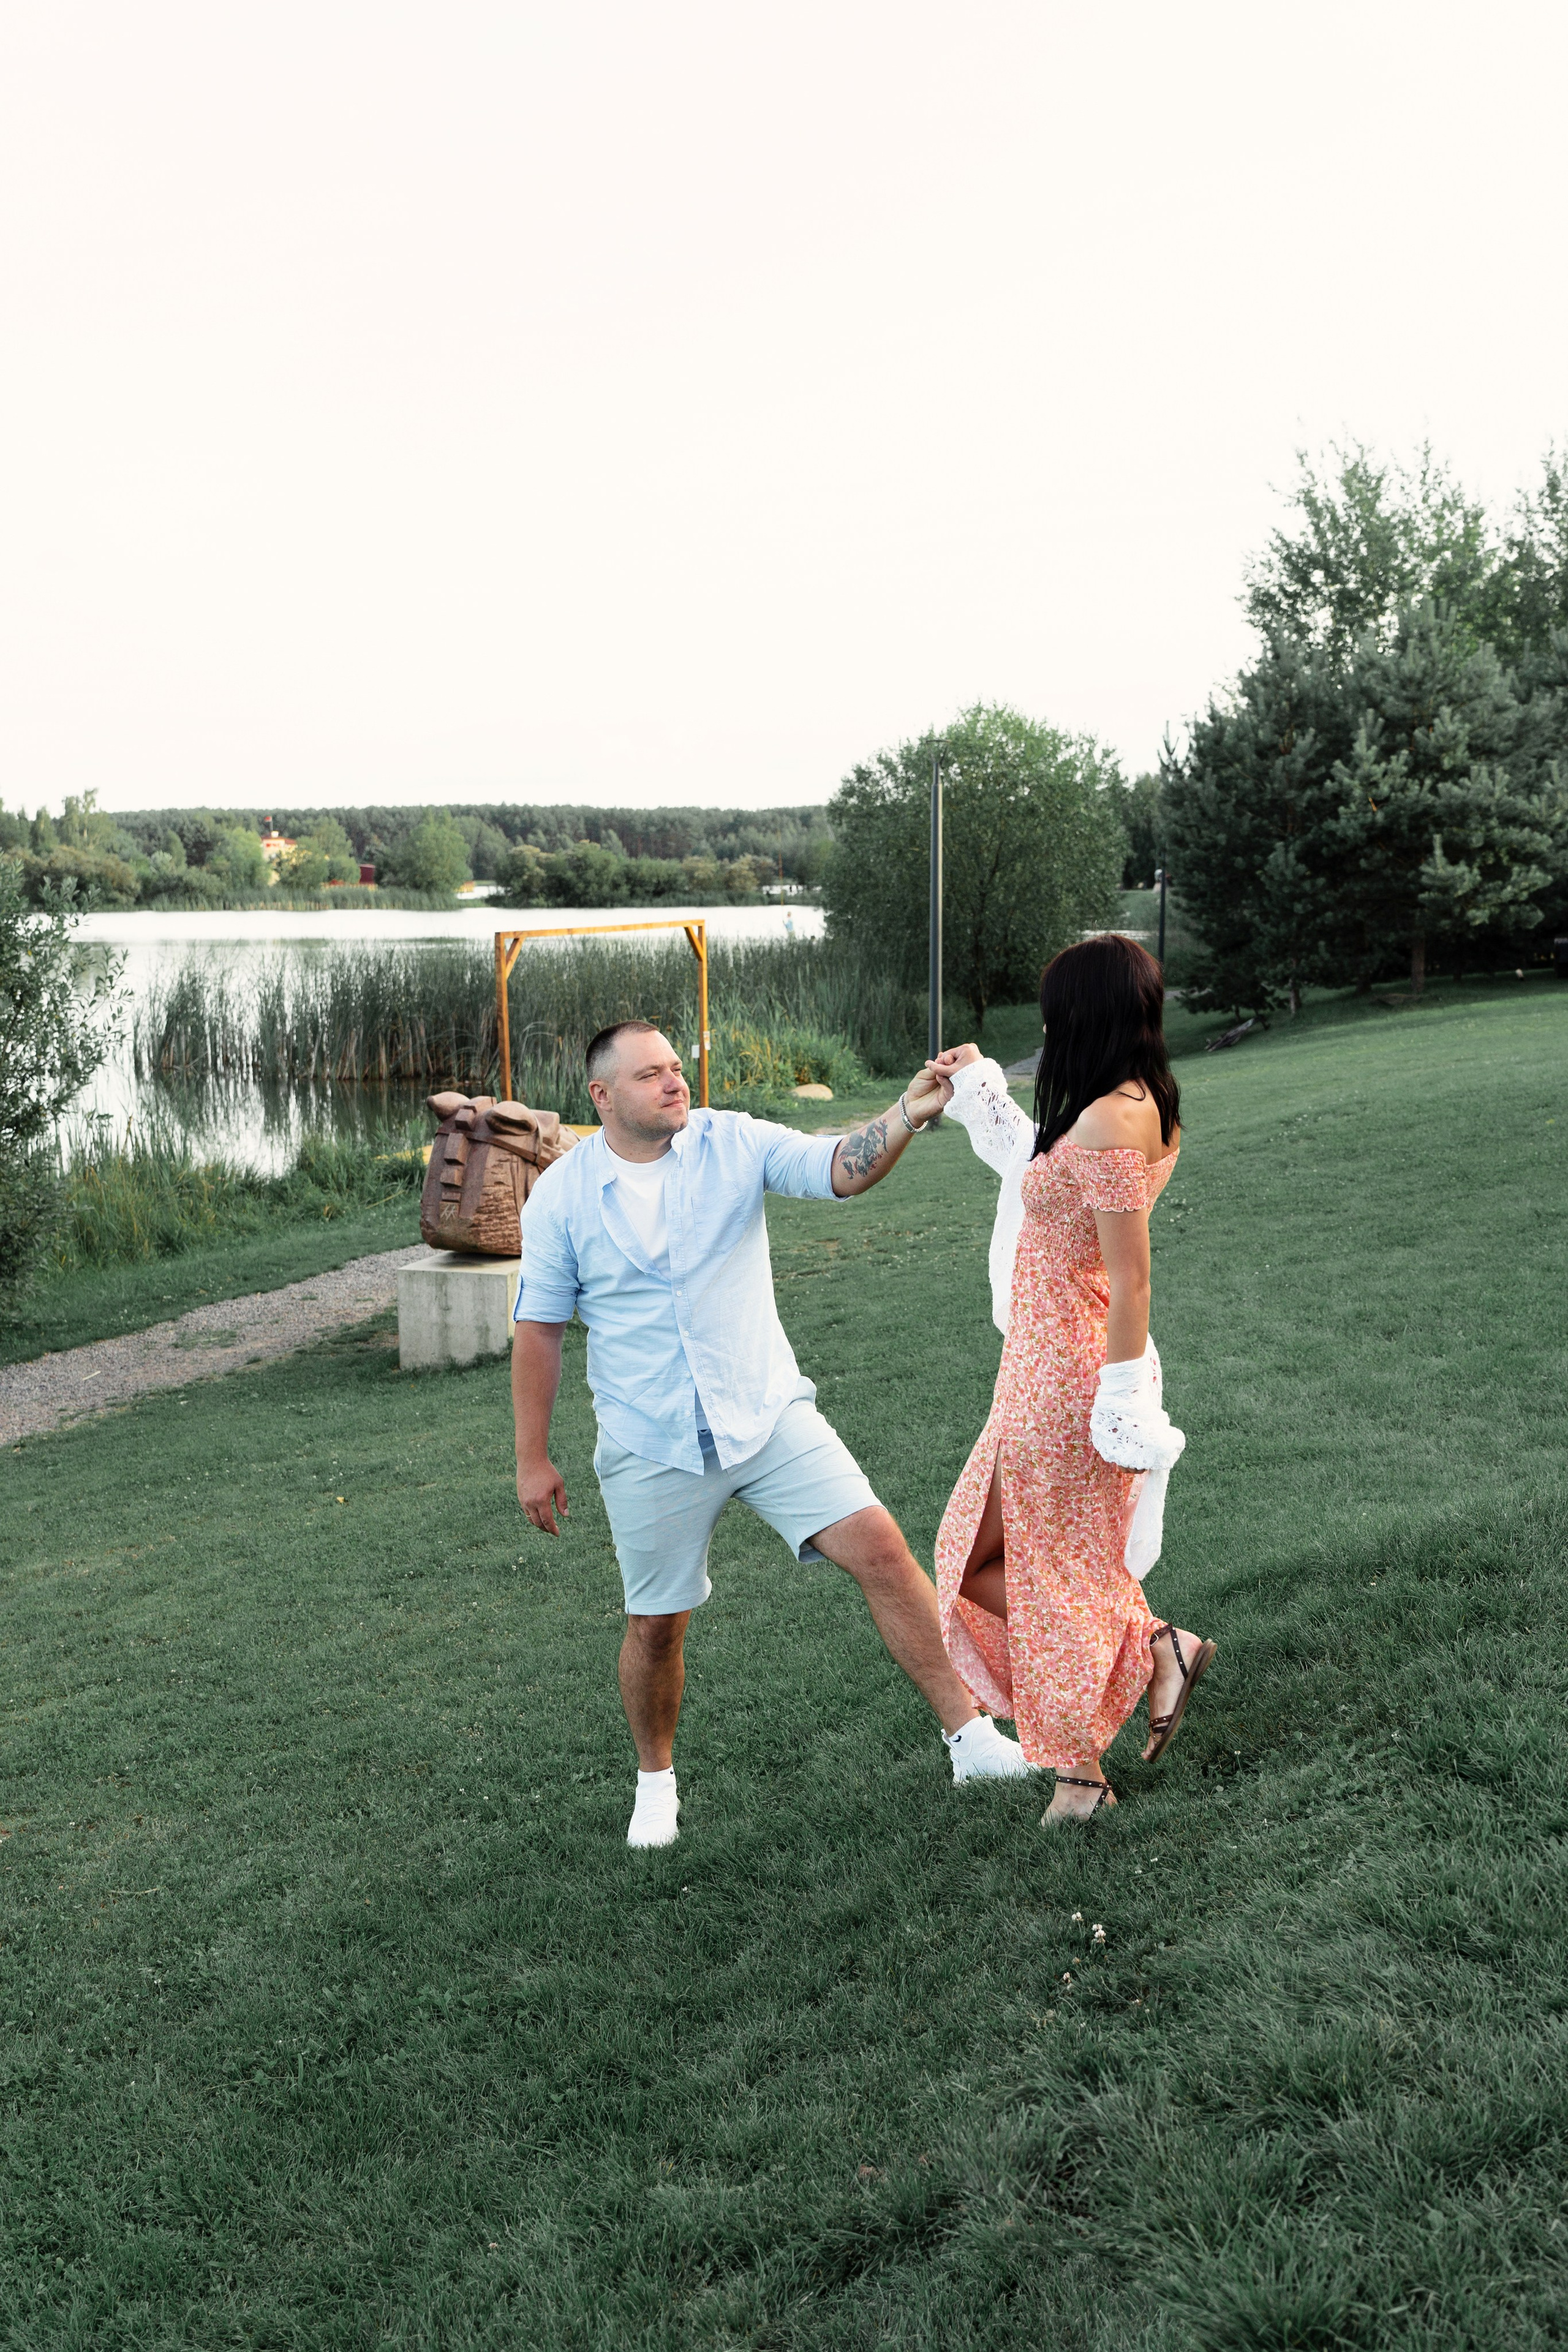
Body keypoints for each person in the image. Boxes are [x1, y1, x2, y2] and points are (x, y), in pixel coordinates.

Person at [510, 1020, 1035, 1847]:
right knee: (658, 1626)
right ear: (601, 1097)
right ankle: (656, 1786)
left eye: (676, 1068)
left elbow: (835, 1170)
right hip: (652, 1442)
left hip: (766, 1413)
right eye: (650, 1075)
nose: (674, 1083)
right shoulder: (563, 1198)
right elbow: (538, 1327)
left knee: (885, 1555)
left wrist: (906, 1112)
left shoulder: (733, 1142)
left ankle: (972, 1742)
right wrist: (532, 1458)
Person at [924, 935, 1217, 1825]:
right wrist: (981, 1086)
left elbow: (1133, 1278)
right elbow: (1037, 1173)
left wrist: (1122, 1400)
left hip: (1069, 1376)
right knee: (973, 1561)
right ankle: (1155, 1645)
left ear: (1086, 1011)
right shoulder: (1119, 1101)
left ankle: (1079, 1775)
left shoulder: (1116, 1118)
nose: (1047, 1022)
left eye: (1057, 1008)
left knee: (1041, 1574)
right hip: (1037, 1368)